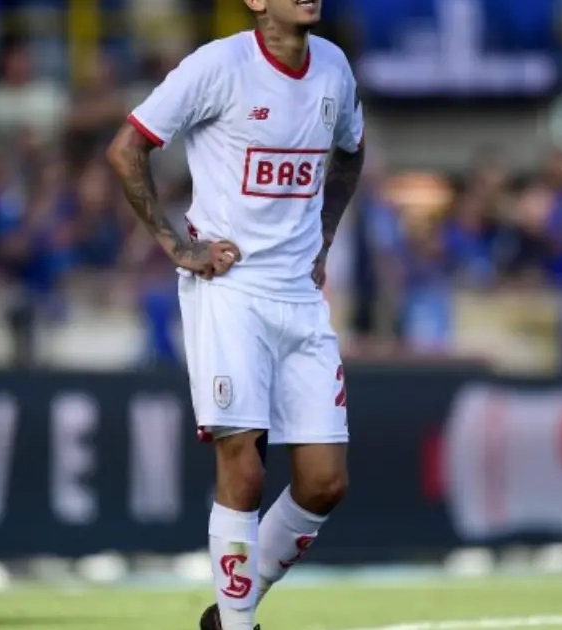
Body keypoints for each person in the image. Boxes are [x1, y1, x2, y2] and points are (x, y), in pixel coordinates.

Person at [105, 1, 364, 629]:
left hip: (300, 297)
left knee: (324, 483)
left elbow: (351, 152)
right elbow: (127, 149)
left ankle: (229, 612)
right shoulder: (218, 66)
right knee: (243, 467)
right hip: (231, 290)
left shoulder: (333, 68)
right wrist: (177, 246)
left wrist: (326, 235)